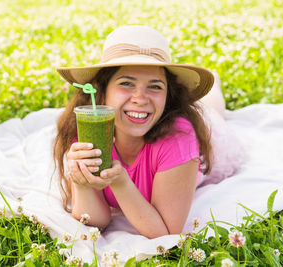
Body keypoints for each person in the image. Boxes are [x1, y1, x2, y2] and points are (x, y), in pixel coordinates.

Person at [53, 25, 228, 239]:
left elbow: (165, 232)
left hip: (214, 138)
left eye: (155, 87)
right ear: (102, 92)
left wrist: (120, 182)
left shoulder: (179, 138)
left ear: (168, 96)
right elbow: (96, 220)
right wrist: (80, 182)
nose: (140, 98)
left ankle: (215, 87)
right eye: (127, 83)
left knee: (214, 111)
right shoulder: (90, 129)